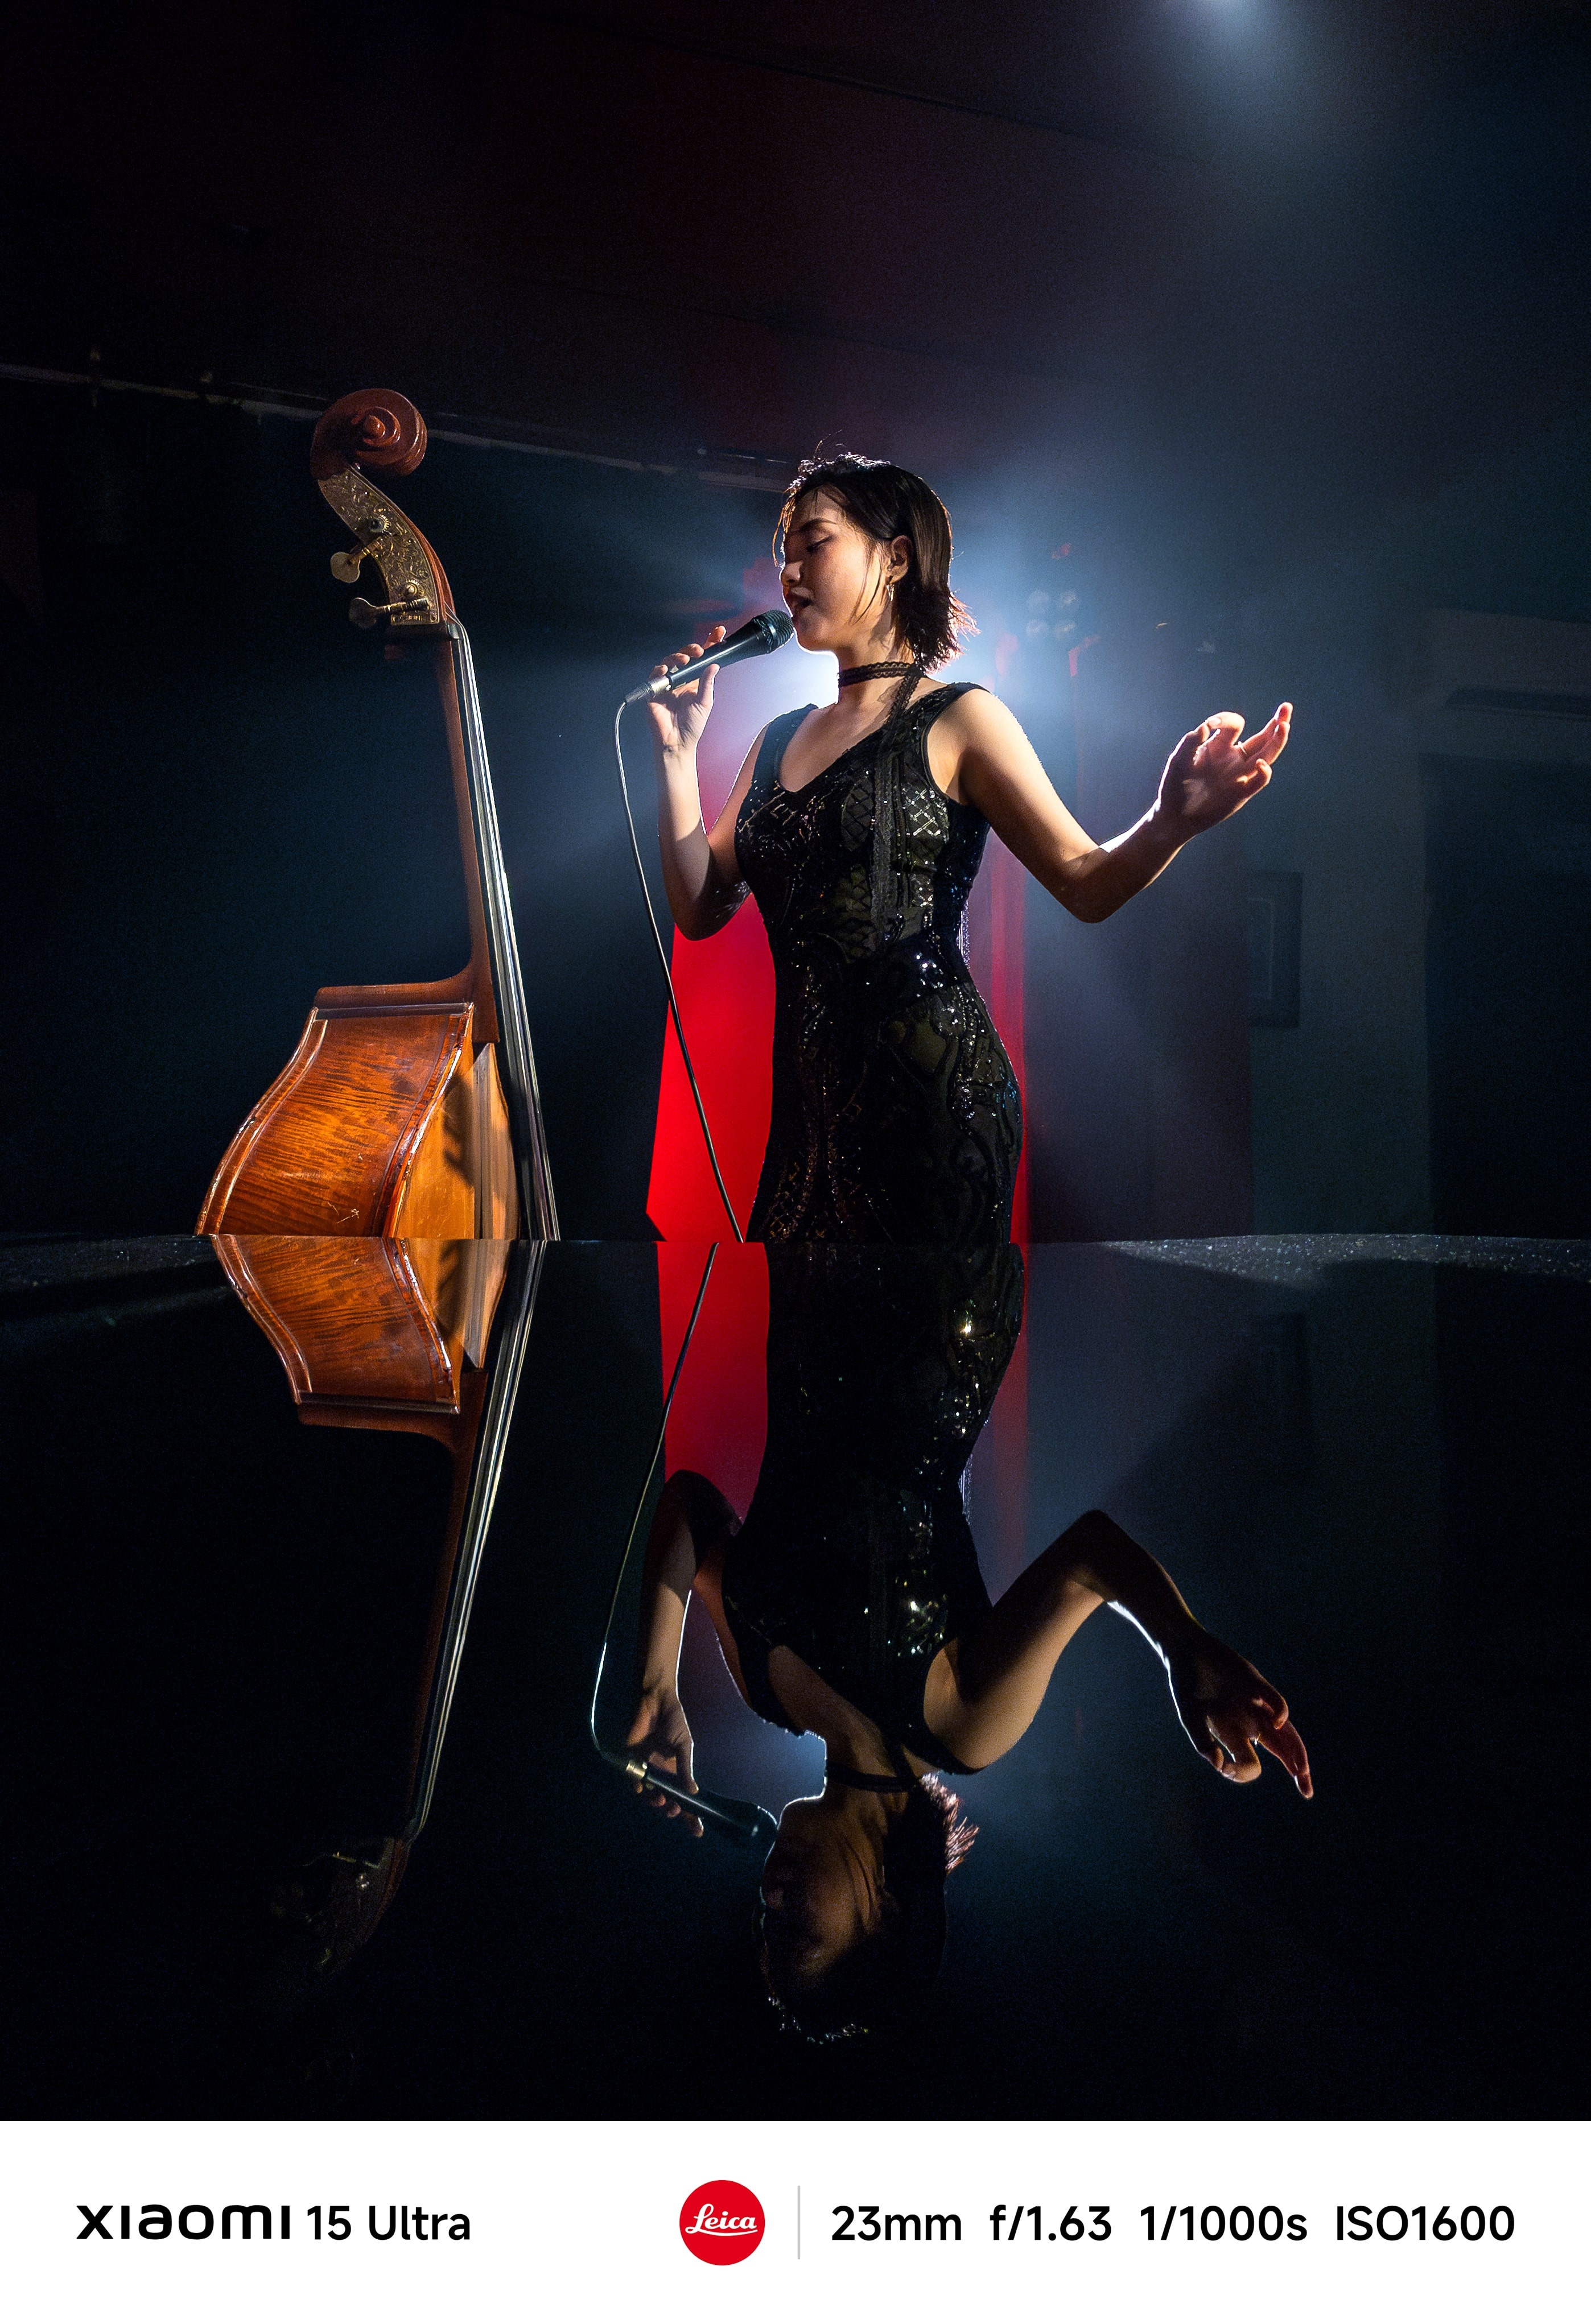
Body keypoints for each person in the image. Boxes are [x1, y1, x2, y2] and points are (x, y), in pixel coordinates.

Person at [625, 1246, 1310, 2040]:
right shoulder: (963, 1728)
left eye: (764, 1925)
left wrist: (657, 1686)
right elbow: (1091, 1556)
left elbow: (687, 1508)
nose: (771, 1900)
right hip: (936, 1258)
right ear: (886, 1913)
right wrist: (1183, 1648)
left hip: (811, 1249)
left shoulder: (761, 1687)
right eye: (799, 1931)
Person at [646, 452, 1291, 1241]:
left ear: (895, 558)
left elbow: (1085, 881)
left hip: (934, 1113)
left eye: (814, 544)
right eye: (786, 553)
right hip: (806, 1131)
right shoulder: (777, 739)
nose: (790, 571)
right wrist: (676, 757)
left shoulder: (963, 719)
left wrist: (1170, 821)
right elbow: (699, 907)